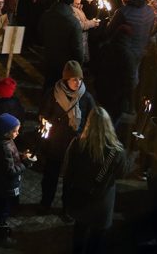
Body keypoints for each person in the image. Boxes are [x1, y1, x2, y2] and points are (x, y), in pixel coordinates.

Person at [63, 107, 127, 254]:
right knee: (97, 238)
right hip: (102, 199)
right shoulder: (117, 150)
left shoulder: (77, 144)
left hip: (81, 195)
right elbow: (122, 173)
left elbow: (68, 172)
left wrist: (66, 197)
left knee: (79, 231)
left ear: (88, 123)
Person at [38, 60, 96, 214]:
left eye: (80, 79)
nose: (77, 82)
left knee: (71, 180)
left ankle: (67, 208)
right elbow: (44, 113)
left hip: (74, 144)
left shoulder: (86, 97)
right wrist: (45, 122)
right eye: (74, 79)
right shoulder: (53, 93)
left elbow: (91, 119)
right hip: (55, 143)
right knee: (50, 176)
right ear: (66, 79)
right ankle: (45, 203)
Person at [0, 113, 30, 246]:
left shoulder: (2, 140)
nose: (18, 133)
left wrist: (21, 156)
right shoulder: (4, 147)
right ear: (6, 132)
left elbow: (9, 160)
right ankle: (0, 236)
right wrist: (26, 164)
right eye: (15, 131)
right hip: (5, 187)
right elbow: (10, 171)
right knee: (3, 211)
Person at [39, 0, 84, 88]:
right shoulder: (73, 22)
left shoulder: (47, 15)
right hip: (65, 60)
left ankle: (46, 100)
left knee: (49, 81)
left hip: (49, 54)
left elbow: (40, 32)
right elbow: (77, 46)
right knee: (61, 85)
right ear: (71, 3)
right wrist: (80, 61)